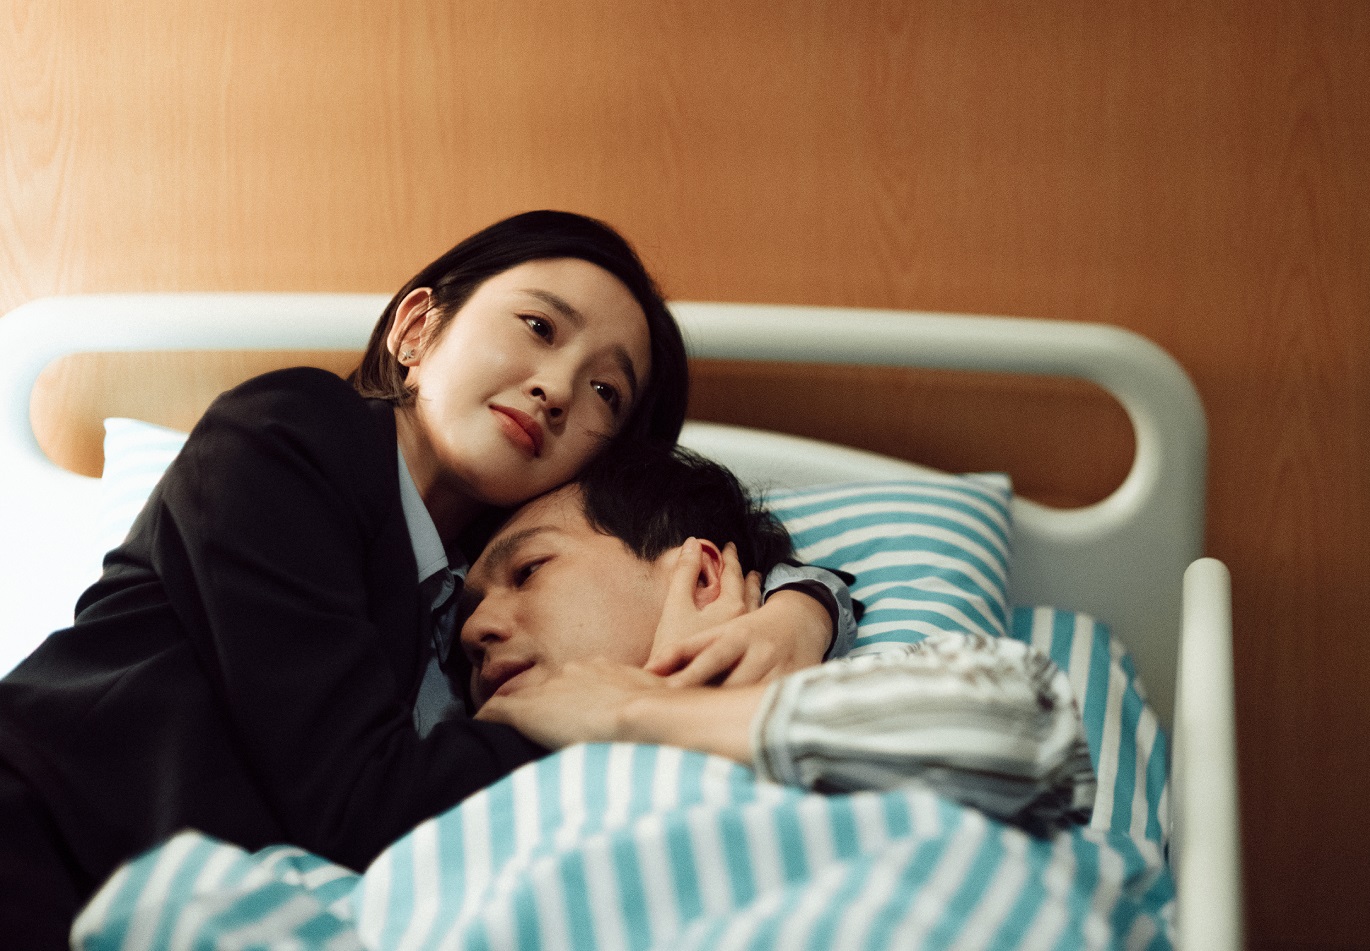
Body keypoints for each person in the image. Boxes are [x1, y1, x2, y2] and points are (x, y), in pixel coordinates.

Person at [0, 211, 852, 948]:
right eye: (538, 326)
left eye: (605, 390)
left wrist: (800, 608)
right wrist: (635, 710)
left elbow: (679, 534)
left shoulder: (470, 598)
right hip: (37, 829)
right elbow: (358, 804)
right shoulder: (292, 436)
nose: (557, 388)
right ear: (416, 329)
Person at [465, 447, 1097, 833]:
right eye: (465, 612)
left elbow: (1031, 734)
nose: (472, 630)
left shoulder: (859, 698)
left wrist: (638, 711)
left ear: (704, 576)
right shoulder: (469, 791)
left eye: (528, 571)